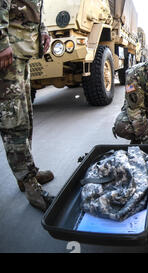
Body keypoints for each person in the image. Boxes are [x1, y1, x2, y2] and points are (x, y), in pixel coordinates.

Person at [0, 0, 54, 211]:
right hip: (7, 56)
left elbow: (32, 9)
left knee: (26, 117)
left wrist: (43, 31)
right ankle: (29, 182)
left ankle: (26, 172)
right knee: (13, 121)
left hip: (20, 53)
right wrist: (2, 43)